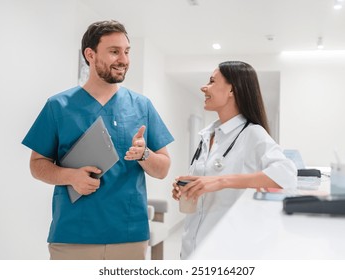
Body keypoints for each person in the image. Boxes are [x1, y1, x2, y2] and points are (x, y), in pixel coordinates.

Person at [22, 20, 174, 260]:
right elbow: (37, 164)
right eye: (114, 51)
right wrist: (70, 176)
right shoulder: (58, 106)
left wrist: (144, 154)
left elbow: (163, 168)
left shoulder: (141, 106)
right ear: (90, 55)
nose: (123, 59)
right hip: (73, 235)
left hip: (129, 234)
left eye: (126, 51)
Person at [172, 61, 297, 259]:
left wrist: (221, 181)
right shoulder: (207, 135)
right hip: (192, 248)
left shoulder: (252, 133)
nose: (204, 87)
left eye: (212, 81)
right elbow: (207, 185)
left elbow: (287, 175)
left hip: (227, 252)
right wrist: (189, 187)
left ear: (232, 90)